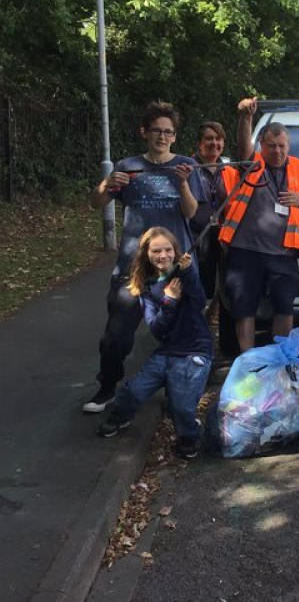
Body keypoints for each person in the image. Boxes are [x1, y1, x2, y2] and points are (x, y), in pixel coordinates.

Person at [85, 102, 204, 413]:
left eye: (168, 132)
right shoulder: (127, 166)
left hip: (174, 268)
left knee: (180, 335)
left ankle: (175, 390)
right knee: (116, 337)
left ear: (175, 137)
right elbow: (96, 202)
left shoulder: (186, 166)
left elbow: (191, 213)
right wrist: (107, 183)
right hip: (133, 267)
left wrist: (181, 183)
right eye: (157, 131)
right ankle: (108, 386)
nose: (162, 136)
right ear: (144, 133)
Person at [97, 227, 213, 458]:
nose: (163, 255)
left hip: (194, 350)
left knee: (182, 407)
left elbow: (199, 301)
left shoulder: (185, 275)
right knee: (133, 391)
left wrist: (189, 274)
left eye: (168, 249)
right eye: (156, 250)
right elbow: (157, 328)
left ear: (176, 252)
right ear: (146, 254)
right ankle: (120, 416)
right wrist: (169, 302)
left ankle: (190, 436)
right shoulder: (148, 288)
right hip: (166, 350)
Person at [219, 98, 299, 352]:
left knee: (284, 305)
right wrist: (246, 118)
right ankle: (247, 362)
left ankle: (279, 360)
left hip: (283, 254)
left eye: (282, 146)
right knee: (243, 308)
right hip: (246, 251)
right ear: (262, 145)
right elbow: (242, 146)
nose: (277, 152)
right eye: (271, 146)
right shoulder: (253, 164)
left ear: (288, 146)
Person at [190, 120, 239, 360]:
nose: (214, 143)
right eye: (209, 138)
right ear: (199, 143)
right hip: (197, 239)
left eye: (218, 139)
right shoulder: (188, 168)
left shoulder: (229, 170)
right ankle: (197, 346)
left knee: (228, 292)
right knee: (201, 294)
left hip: (225, 237)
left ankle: (228, 349)